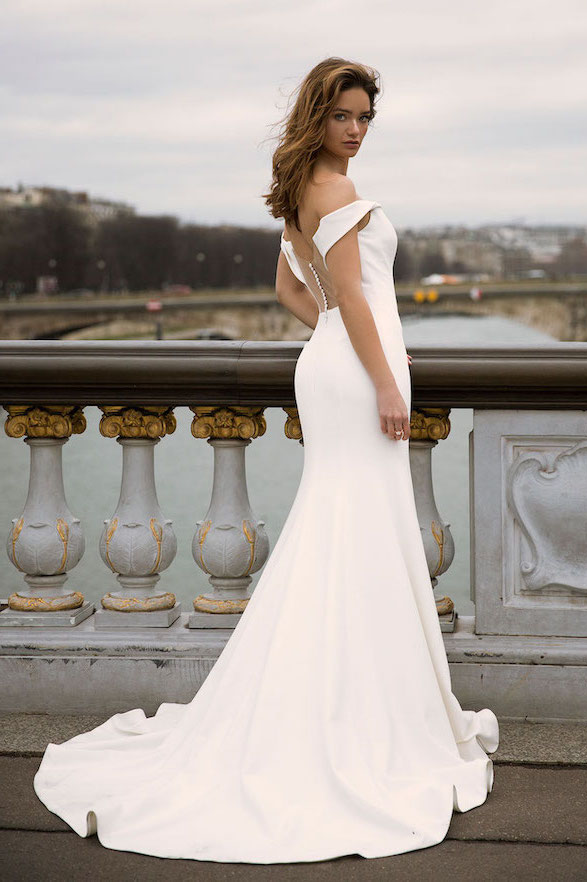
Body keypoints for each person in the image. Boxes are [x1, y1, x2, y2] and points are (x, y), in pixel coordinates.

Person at [32, 57, 498, 863]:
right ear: (319, 115)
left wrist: (344, 340)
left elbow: (291, 291)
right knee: (358, 530)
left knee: (340, 528)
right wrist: (389, 381)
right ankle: (358, 709)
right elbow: (351, 298)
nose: (355, 131)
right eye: (345, 116)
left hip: (332, 366)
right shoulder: (337, 195)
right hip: (357, 377)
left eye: (365, 120)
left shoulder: (299, 196)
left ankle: (322, 696)